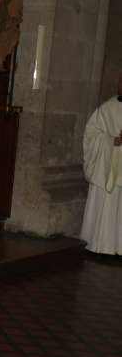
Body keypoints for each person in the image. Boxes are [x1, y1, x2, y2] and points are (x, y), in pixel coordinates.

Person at [80, 73, 122, 256]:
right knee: (106, 203)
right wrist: (111, 141)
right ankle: (98, 245)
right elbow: (91, 134)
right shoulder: (107, 109)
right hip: (106, 168)